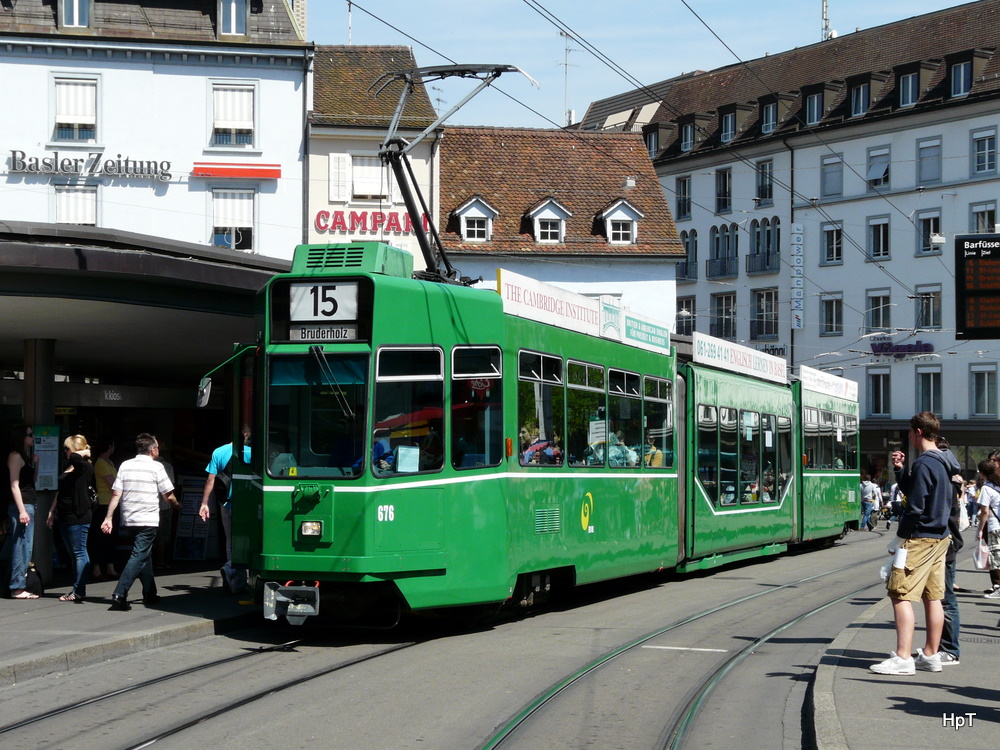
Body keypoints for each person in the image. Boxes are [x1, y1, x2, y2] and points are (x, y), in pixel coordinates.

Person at [870, 412, 953, 675]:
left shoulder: (925, 463)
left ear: (917, 432)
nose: (908, 436)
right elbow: (921, 491)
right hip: (941, 536)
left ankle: (903, 658)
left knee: (899, 593)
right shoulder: (943, 460)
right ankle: (931, 654)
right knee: (933, 596)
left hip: (920, 537)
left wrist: (899, 539)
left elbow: (915, 506)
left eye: (909, 431)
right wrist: (900, 471)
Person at [101, 433, 180, 611]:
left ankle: (150, 593)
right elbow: (168, 495)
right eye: (157, 447)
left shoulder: (125, 465)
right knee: (139, 554)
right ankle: (120, 592)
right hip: (148, 518)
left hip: (129, 518)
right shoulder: (157, 467)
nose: (158, 450)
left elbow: (116, 494)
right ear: (152, 450)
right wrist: (178, 506)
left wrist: (109, 517)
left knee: (144, 554)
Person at [199, 429, 251, 593]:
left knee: (230, 540)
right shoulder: (251, 453)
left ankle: (231, 567)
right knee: (245, 540)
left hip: (225, 504)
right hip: (245, 504)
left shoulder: (218, 452)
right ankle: (236, 576)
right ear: (245, 436)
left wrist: (204, 503)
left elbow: (210, 480)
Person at [47, 434, 94, 603]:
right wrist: (52, 510)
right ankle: (77, 588)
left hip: (78, 514)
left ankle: (79, 590)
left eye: (67, 448)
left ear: (75, 450)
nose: (65, 451)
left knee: (79, 552)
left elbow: (76, 457)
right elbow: (61, 491)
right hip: (65, 514)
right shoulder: (70, 465)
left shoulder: (83, 466)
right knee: (73, 554)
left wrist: (85, 452)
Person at [934, 436, 964, 666]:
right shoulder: (952, 482)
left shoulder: (947, 484)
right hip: (948, 543)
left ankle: (950, 650)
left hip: (945, 544)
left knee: (945, 598)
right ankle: (938, 648)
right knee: (940, 597)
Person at [7, 425, 39, 599]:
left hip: (29, 504)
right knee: (21, 546)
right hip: (23, 505)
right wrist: (21, 511)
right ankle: (17, 587)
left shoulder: (25, 457)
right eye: (30, 435)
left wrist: (36, 464)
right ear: (22, 437)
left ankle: (19, 584)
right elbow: (14, 485)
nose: (33, 437)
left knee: (26, 545)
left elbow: (32, 481)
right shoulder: (15, 456)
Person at [89, 436, 119, 580]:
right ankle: (96, 568)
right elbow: (113, 484)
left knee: (111, 537)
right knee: (100, 537)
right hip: (104, 504)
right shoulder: (100, 463)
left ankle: (110, 566)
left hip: (113, 503)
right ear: (109, 446)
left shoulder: (110, 462)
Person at [976, 459, 1000, 598]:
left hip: (994, 526)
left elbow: (985, 511)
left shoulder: (987, 488)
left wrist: (980, 529)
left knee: (996, 558)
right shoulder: (998, 485)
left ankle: (998, 587)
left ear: (982, 473)